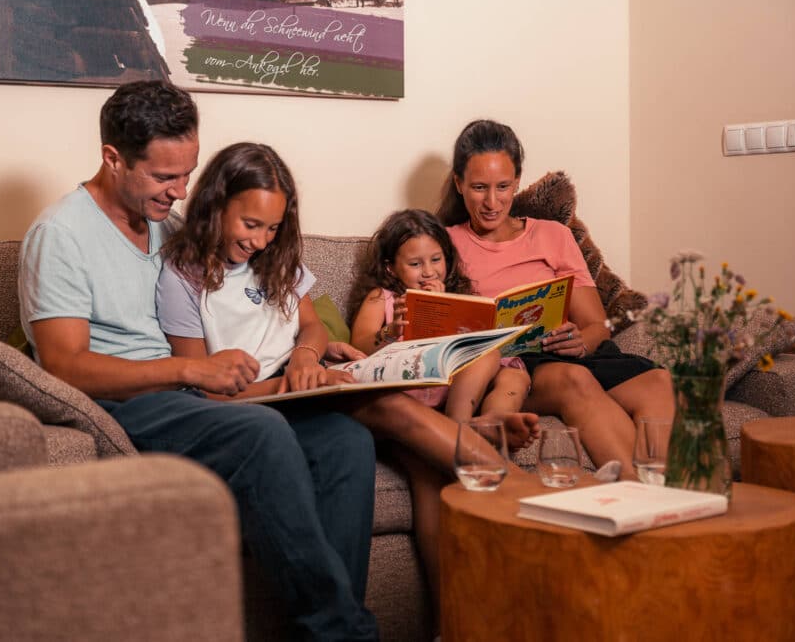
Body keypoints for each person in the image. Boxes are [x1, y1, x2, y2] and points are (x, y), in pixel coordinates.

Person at [18, 80, 378, 641]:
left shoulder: (169, 223)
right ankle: (347, 632)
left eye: (186, 174)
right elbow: (65, 367)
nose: (181, 191)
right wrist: (187, 370)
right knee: (260, 432)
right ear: (113, 158)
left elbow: (254, 288)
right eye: (165, 176)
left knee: (344, 442)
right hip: (126, 404)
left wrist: (314, 343)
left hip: (190, 400)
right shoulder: (59, 236)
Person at [155, 143, 538, 629]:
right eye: (250, 225)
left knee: (363, 426)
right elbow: (201, 389)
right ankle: (520, 489)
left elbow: (312, 326)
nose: (261, 241)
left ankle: (347, 619)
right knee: (387, 409)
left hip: (301, 384)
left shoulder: (277, 258)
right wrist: (286, 387)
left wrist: (305, 355)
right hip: (253, 400)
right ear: (214, 207)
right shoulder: (182, 275)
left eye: (273, 228)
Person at [436, 119, 675, 479]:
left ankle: (662, 497)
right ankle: (642, 497)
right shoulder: (444, 243)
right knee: (573, 380)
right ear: (459, 184)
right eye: (479, 188)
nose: (492, 201)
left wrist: (581, 341)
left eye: (503, 187)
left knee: (659, 382)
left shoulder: (553, 235)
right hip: (512, 369)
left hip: (564, 353)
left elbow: (597, 326)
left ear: (517, 181)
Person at [347, 208, 534, 428]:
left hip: (459, 384)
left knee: (513, 374)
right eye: (415, 264)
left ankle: (494, 421)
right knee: (487, 357)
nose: (429, 272)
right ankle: (458, 427)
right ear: (391, 269)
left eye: (436, 259)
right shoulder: (382, 298)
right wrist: (391, 331)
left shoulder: (458, 293)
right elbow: (358, 344)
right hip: (414, 380)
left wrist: (448, 306)